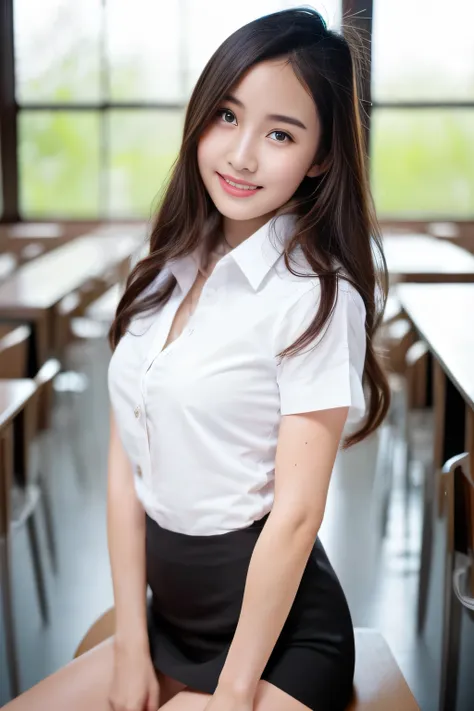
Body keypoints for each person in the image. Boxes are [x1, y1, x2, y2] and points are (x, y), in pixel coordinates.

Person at [4, 7, 390, 711]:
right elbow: (126, 471)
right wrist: (129, 644)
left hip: (279, 640)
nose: (242, 155)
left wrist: (232, 692)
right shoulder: (157, 271)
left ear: (322, 158)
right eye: (226, 116)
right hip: (168, 619)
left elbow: (298, 516)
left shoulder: (316, 297)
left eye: (280, 133)